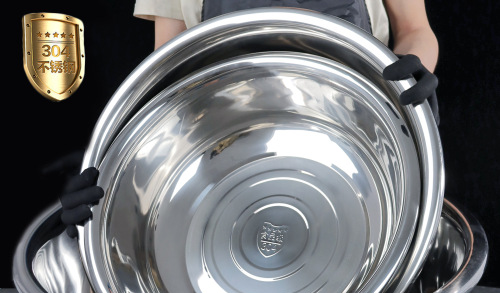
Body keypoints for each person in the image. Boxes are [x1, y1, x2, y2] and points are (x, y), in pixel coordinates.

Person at [61, 0, 439, 237]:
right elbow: (166, 75)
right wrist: (118, 189)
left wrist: (410, 72)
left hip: (357, 158)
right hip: (225, 166)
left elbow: (414, 30)